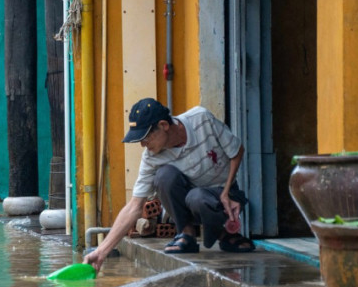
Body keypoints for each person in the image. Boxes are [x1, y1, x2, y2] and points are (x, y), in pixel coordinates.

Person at [83, 98, 255, 271]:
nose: (143, 145)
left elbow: (236, 151)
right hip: (192, 199)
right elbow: (134, 206)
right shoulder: (151, 157)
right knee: (164, 176)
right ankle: (186, 234)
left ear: (164, 125)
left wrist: (226, 192)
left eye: (146, 137)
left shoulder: (201, 119)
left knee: (197, 197)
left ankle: (224, 233)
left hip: (221, 196)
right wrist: (101, 251)